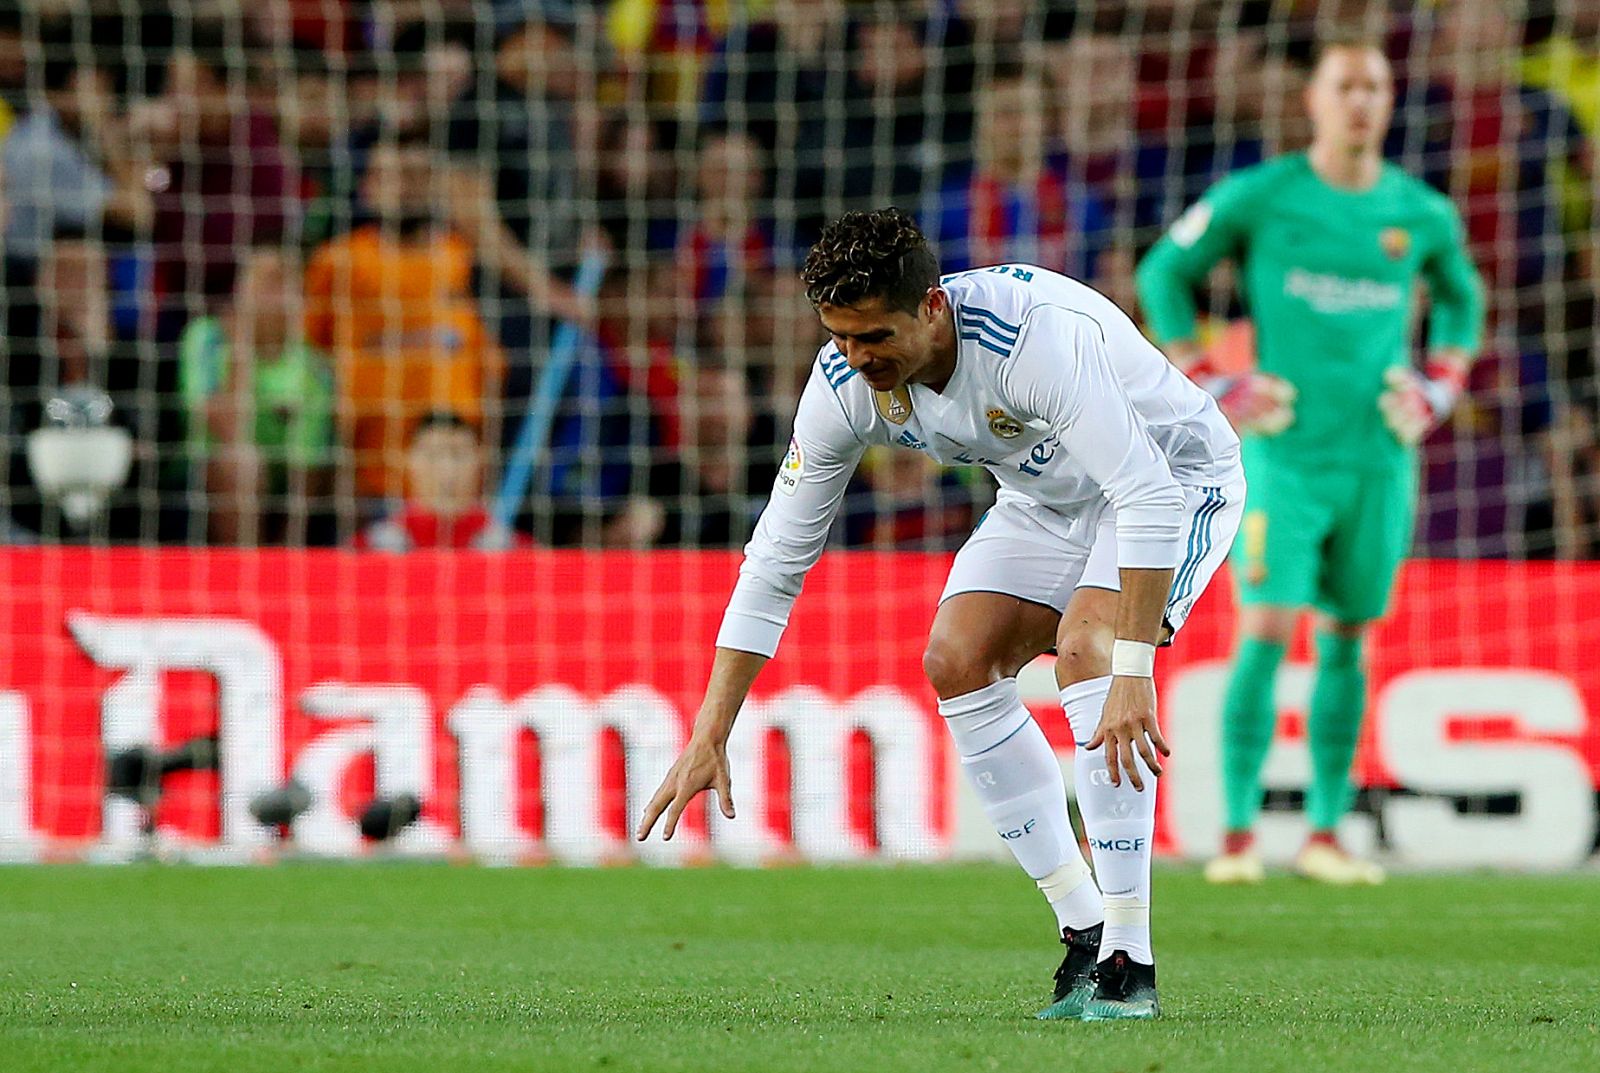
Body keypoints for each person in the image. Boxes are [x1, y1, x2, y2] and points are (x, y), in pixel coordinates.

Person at [637, 208, 1246, 1022]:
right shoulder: (843, 386)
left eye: (875, 336)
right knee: (955, 659)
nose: (859, 358)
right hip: (1045, 501)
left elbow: (1145, 493)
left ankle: (1130, 957)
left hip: (1175, 482)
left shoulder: (1034, 341)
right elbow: (777, 557)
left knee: (1088, 650)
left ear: (931, 306)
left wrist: (1135, 669)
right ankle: (1081, 923)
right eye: (841, 338)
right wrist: (712, 726)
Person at [1134, 33, 1486, 886]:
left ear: (1390, 102)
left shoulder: (1421, 214)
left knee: (1348, 640)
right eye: (1345, 86)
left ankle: (1327, 834)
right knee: (1264, 633)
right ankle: (1240, 838)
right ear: (1314, 101)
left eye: (1375, 86)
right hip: (1282, 459)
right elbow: (1164, 273)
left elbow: (1465, 304)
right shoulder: (1264, 196)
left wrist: (1436, 389)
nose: (1361, 100)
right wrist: (1213, 376)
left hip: (1375, 459)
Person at [178, 247, 334, 546]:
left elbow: (308, 463)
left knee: (340, 470)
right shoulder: (207, 338)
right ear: (240, 291)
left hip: (280, 480)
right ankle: (241, 566)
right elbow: (223, 426)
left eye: (281, 284)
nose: (270, 297)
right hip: (204, 472)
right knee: (242, 462)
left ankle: (285, 564)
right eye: (262, 284)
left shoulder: (313, 365)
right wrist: (240, 349)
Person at [358, 410, 522, 551]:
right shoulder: (369, 548)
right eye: (433, 455)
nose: (447, 468)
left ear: (481, 461)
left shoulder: (515, 550)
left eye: (458, 454)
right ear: (407, 461)